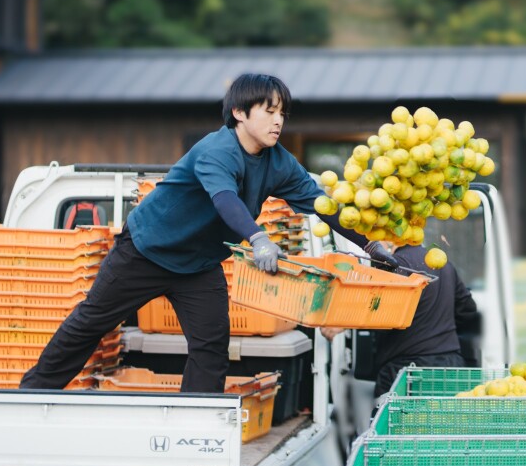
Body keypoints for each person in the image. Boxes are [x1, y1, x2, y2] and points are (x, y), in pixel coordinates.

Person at [21, 73, 387, 393]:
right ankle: (32, 393)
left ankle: (197, 421)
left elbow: (321, 204)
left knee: (211, 345)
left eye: (282, 114)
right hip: (146, 250)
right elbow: (224, 199)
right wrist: (258, 238)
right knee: (91, 322)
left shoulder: (279, 162)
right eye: (269, 111)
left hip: (198, 265)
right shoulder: (216, 150)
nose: (278, 121)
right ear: (239, 114)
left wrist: (369, 244)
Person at [368, 242, 479, 400]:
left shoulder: (395, 265)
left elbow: (378, 317)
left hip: (405, 372)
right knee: (447, 423)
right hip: (449, 367)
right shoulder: (443, 263)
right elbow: (468, 309)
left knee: (400, 423)